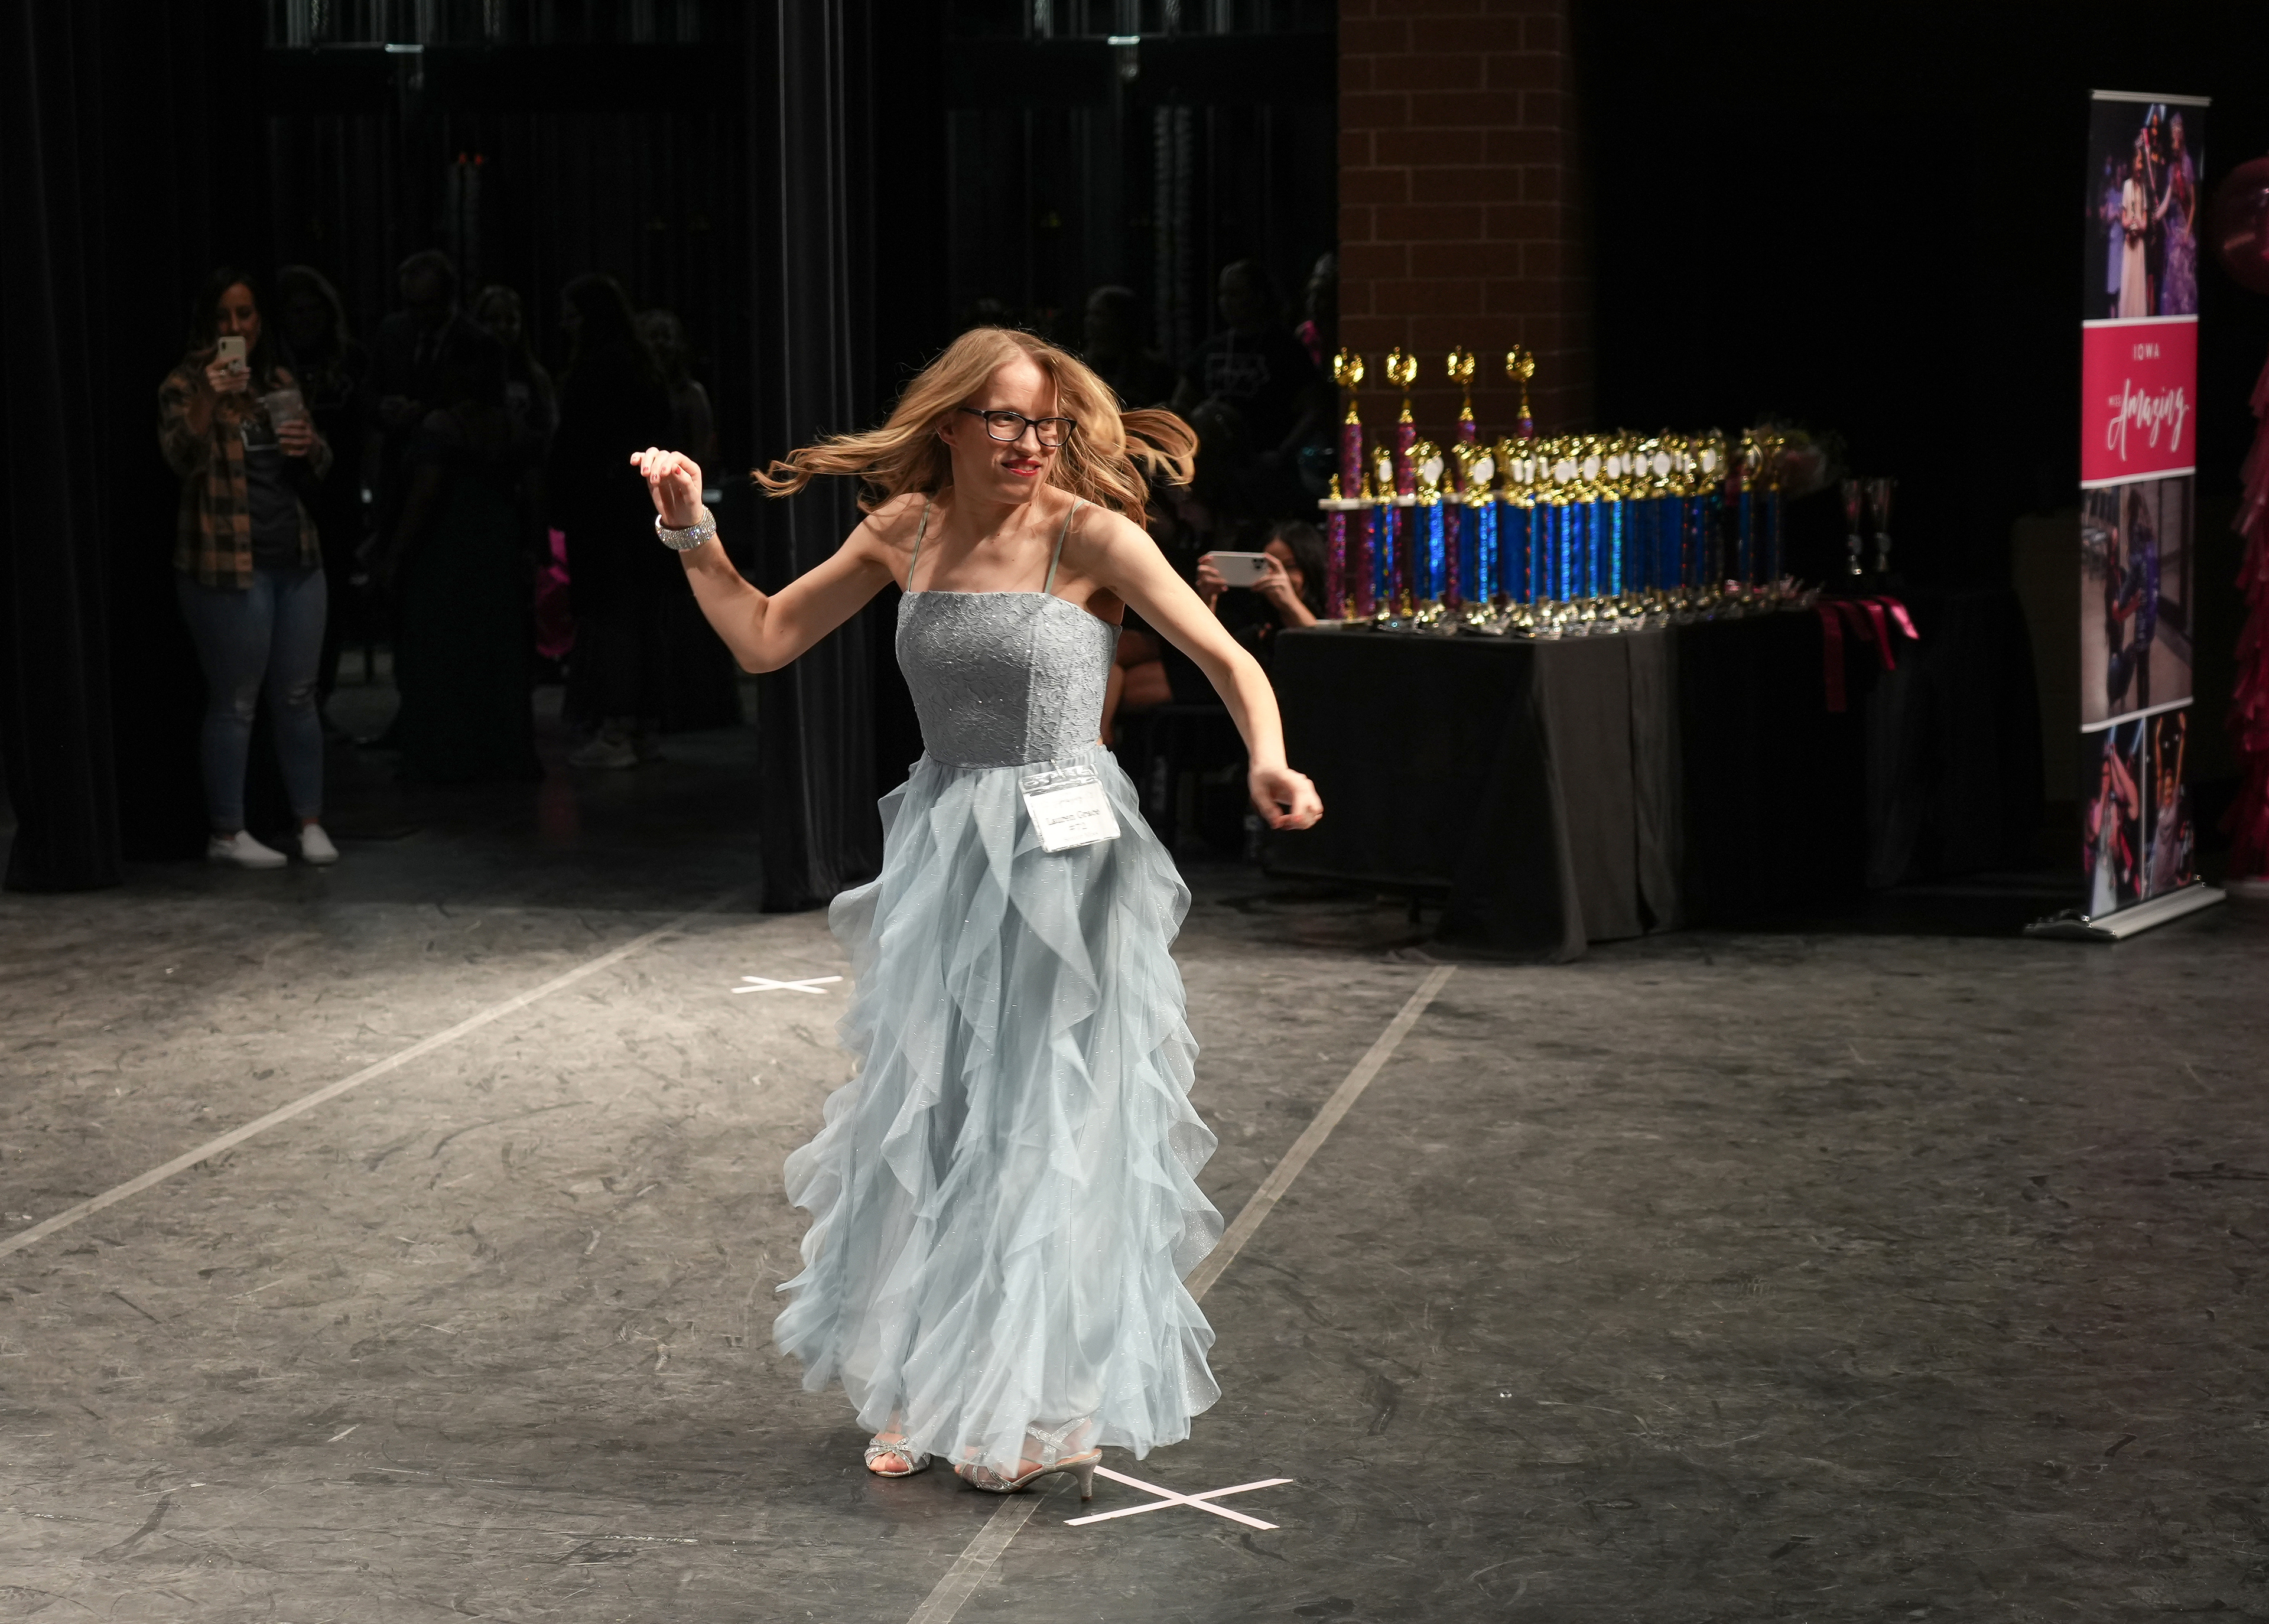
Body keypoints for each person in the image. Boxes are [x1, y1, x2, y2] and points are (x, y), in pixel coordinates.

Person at [629, 326, 1322, 1494]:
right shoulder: (903, 530)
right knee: (938, 1107)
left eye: (1046, 421)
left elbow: (1226, 658)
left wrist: (1268, 757)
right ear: (950, 423)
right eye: (1006, 417)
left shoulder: (1092, 535)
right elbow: (763, 637)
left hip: (1066, 849)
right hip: (949, 841)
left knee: (1043, 1109)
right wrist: (692, 527)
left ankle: (1037, 1396)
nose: (1030, 440)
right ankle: (927, 1379)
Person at [157, 268, 340, 869]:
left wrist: (309, 444)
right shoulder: (184, 383)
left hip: (295, 556)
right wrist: (209, 397)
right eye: (224, 317)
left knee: (299, 694)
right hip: (226, 564)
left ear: (261, 320)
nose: (236, 327)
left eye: (246, 315)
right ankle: (228, 832)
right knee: (235, 699)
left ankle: (309, 822)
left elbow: (321, 462)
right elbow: (179, 457)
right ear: (207, 323)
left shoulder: (278, 380)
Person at [383, 341, 544, 785]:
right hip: (498, 547)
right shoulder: (513, 426)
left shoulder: (442, 426)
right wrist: (534, 547)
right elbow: (534, 494)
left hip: (448, 549)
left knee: (445, 653)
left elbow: (424, 496)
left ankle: (447, 755)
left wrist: (394, 556)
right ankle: (498, 753)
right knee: (497, 654)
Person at [547, 273, 677, 767]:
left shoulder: (595, 372)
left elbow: (578, 448)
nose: (565, 325)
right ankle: (643, 727)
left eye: (573, 315)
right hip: (644, 510)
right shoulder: (643, 369)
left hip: (605, 516)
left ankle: (618, 727)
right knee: (642, 619)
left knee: (613, 618)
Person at [275, 263, 370, 721]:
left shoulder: (350, 360)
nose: (307, 319)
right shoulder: (270, 366)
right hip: (284, 497)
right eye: (297, 311)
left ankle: (318, 699)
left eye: (315, 310)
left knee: (328, 604)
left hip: (336, 499)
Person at [1171, 260, 1322, 467]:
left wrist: (1281, 454)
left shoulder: (1285, 349)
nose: (1226, 302)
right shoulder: (1210, 350)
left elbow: (1313, 409)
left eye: (1235, 294)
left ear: (1258, 297)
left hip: (1264, 466)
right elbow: (1181, 402)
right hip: (1215, 467)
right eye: (1223, 294)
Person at [1195, 518, 1325, 662]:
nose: (1280, 576)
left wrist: (1291, 604)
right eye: (1270, 567)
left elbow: (1325, 653)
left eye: (1289, 566)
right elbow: (1215, 660)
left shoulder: (1335, 613)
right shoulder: (1257, 635)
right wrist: (1209, 602)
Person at [638, 308, 717, 466]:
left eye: (666, 337)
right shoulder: (636, 393)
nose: (660, 343)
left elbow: (701, 452)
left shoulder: (692, 393)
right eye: (653, 337)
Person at [1080, 287, 1176, 411]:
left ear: (1120, 321)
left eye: (1099, 315)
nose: (1089, 322)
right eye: (1090, 314)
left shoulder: (1154, 371)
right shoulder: (1080, 367)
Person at [2156, 112, 2200, 317]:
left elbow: (2194, 204)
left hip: (2185, 232)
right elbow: (2166, 200)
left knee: (2186, 284)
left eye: (2177, 133)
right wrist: (2158, 214)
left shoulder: (2187, 164)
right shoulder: (2172, 169)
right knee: (2173, 282)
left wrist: (2187, 233)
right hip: (2174, 233)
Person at [2118, 145, 2153, 318]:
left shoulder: (2143, 189)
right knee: (2128, 282)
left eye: (2142, 163)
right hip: (2129, 244)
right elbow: (2123, 219)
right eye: (2139, 162)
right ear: (2133, 163)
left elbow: (2145, 224)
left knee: (2138, 284)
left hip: (2139, 244)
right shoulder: (2127, 186)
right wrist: (2129, 224)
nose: (2140, 167)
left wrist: (2139, 225)